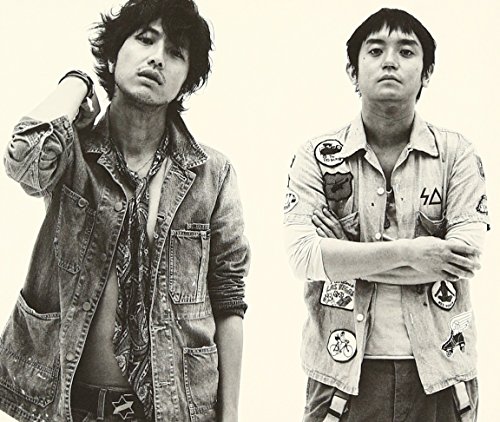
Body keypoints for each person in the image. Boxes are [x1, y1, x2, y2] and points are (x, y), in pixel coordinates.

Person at [0, 0, 250, 421]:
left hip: (176, 410)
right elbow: (23, 157)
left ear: (185, 81)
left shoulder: (212, 173)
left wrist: (231, 417)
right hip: (69, 407)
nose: (158, 58)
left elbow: (229, 299)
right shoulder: (72, 156)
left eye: (176, 52)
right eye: (145, 39)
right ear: (114, 55)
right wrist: (76, 84)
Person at [284, 8, 489, 422]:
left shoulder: (457, 155)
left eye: (406, 51)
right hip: (339, 377)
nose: (390, 61)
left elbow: (462, 258)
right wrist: (416, 254)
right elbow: (303, 257)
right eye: (375, 50)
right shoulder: (317, 156)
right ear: (353, 71)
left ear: (427, 73)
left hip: (441, 374)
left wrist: (346, 254)